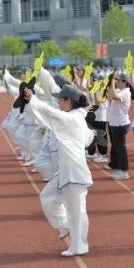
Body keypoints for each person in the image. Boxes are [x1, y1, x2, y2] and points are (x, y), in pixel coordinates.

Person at [22, 84, 94, 256]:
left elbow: (51, 114)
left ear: (68, 101)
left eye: (60, 100)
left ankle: (79, 246)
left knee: (77, 211)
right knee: (47, 197)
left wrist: (32, 99)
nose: (59, 104)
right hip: (65, 171)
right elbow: (85, 140)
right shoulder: (75, 118)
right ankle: (66, 226)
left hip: (75, 172)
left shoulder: (72, 119)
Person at [106, 73, 133, 180]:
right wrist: (110, 84)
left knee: (121, 148)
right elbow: (110, 97)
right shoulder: (119, 91)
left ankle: (124, 171)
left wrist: (112, 82)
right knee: (118, 147)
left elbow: (115, 97)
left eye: (118, 80)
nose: (116, 82)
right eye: (116, 80)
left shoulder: (126, 92)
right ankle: (121, 168)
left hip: (120, 123)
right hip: (115, 123)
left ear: (124, 82)